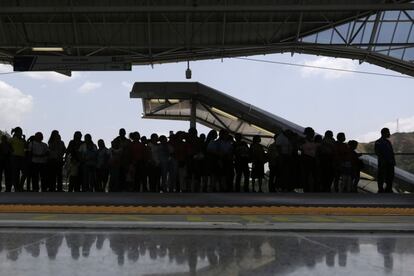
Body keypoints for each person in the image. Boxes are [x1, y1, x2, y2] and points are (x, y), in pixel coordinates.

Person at [375, 128, 395, 193]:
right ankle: (381, 189)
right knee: (382, 176)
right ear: (384, 133)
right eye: (388, 132)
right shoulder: (379, 142)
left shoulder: (384, 142)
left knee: (389, 176)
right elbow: (378, 153)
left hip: (388, 162)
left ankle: (387, 189)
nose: (389, 134)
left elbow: (391, 153)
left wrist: (393, 161)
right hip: (383, 163)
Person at [9, 127, 26, 192]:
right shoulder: (12, 139)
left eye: (21, 131)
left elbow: (26, 146)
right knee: (16, 173)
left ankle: (20, 186)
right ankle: (17, 188)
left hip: (22, 157)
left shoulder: (22, 140)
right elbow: (8, 145)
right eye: (20, 131)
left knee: (25, 172)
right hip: (15, 157)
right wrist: (11, 151)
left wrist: (24, 139)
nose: (21, 133)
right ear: (16, 132)